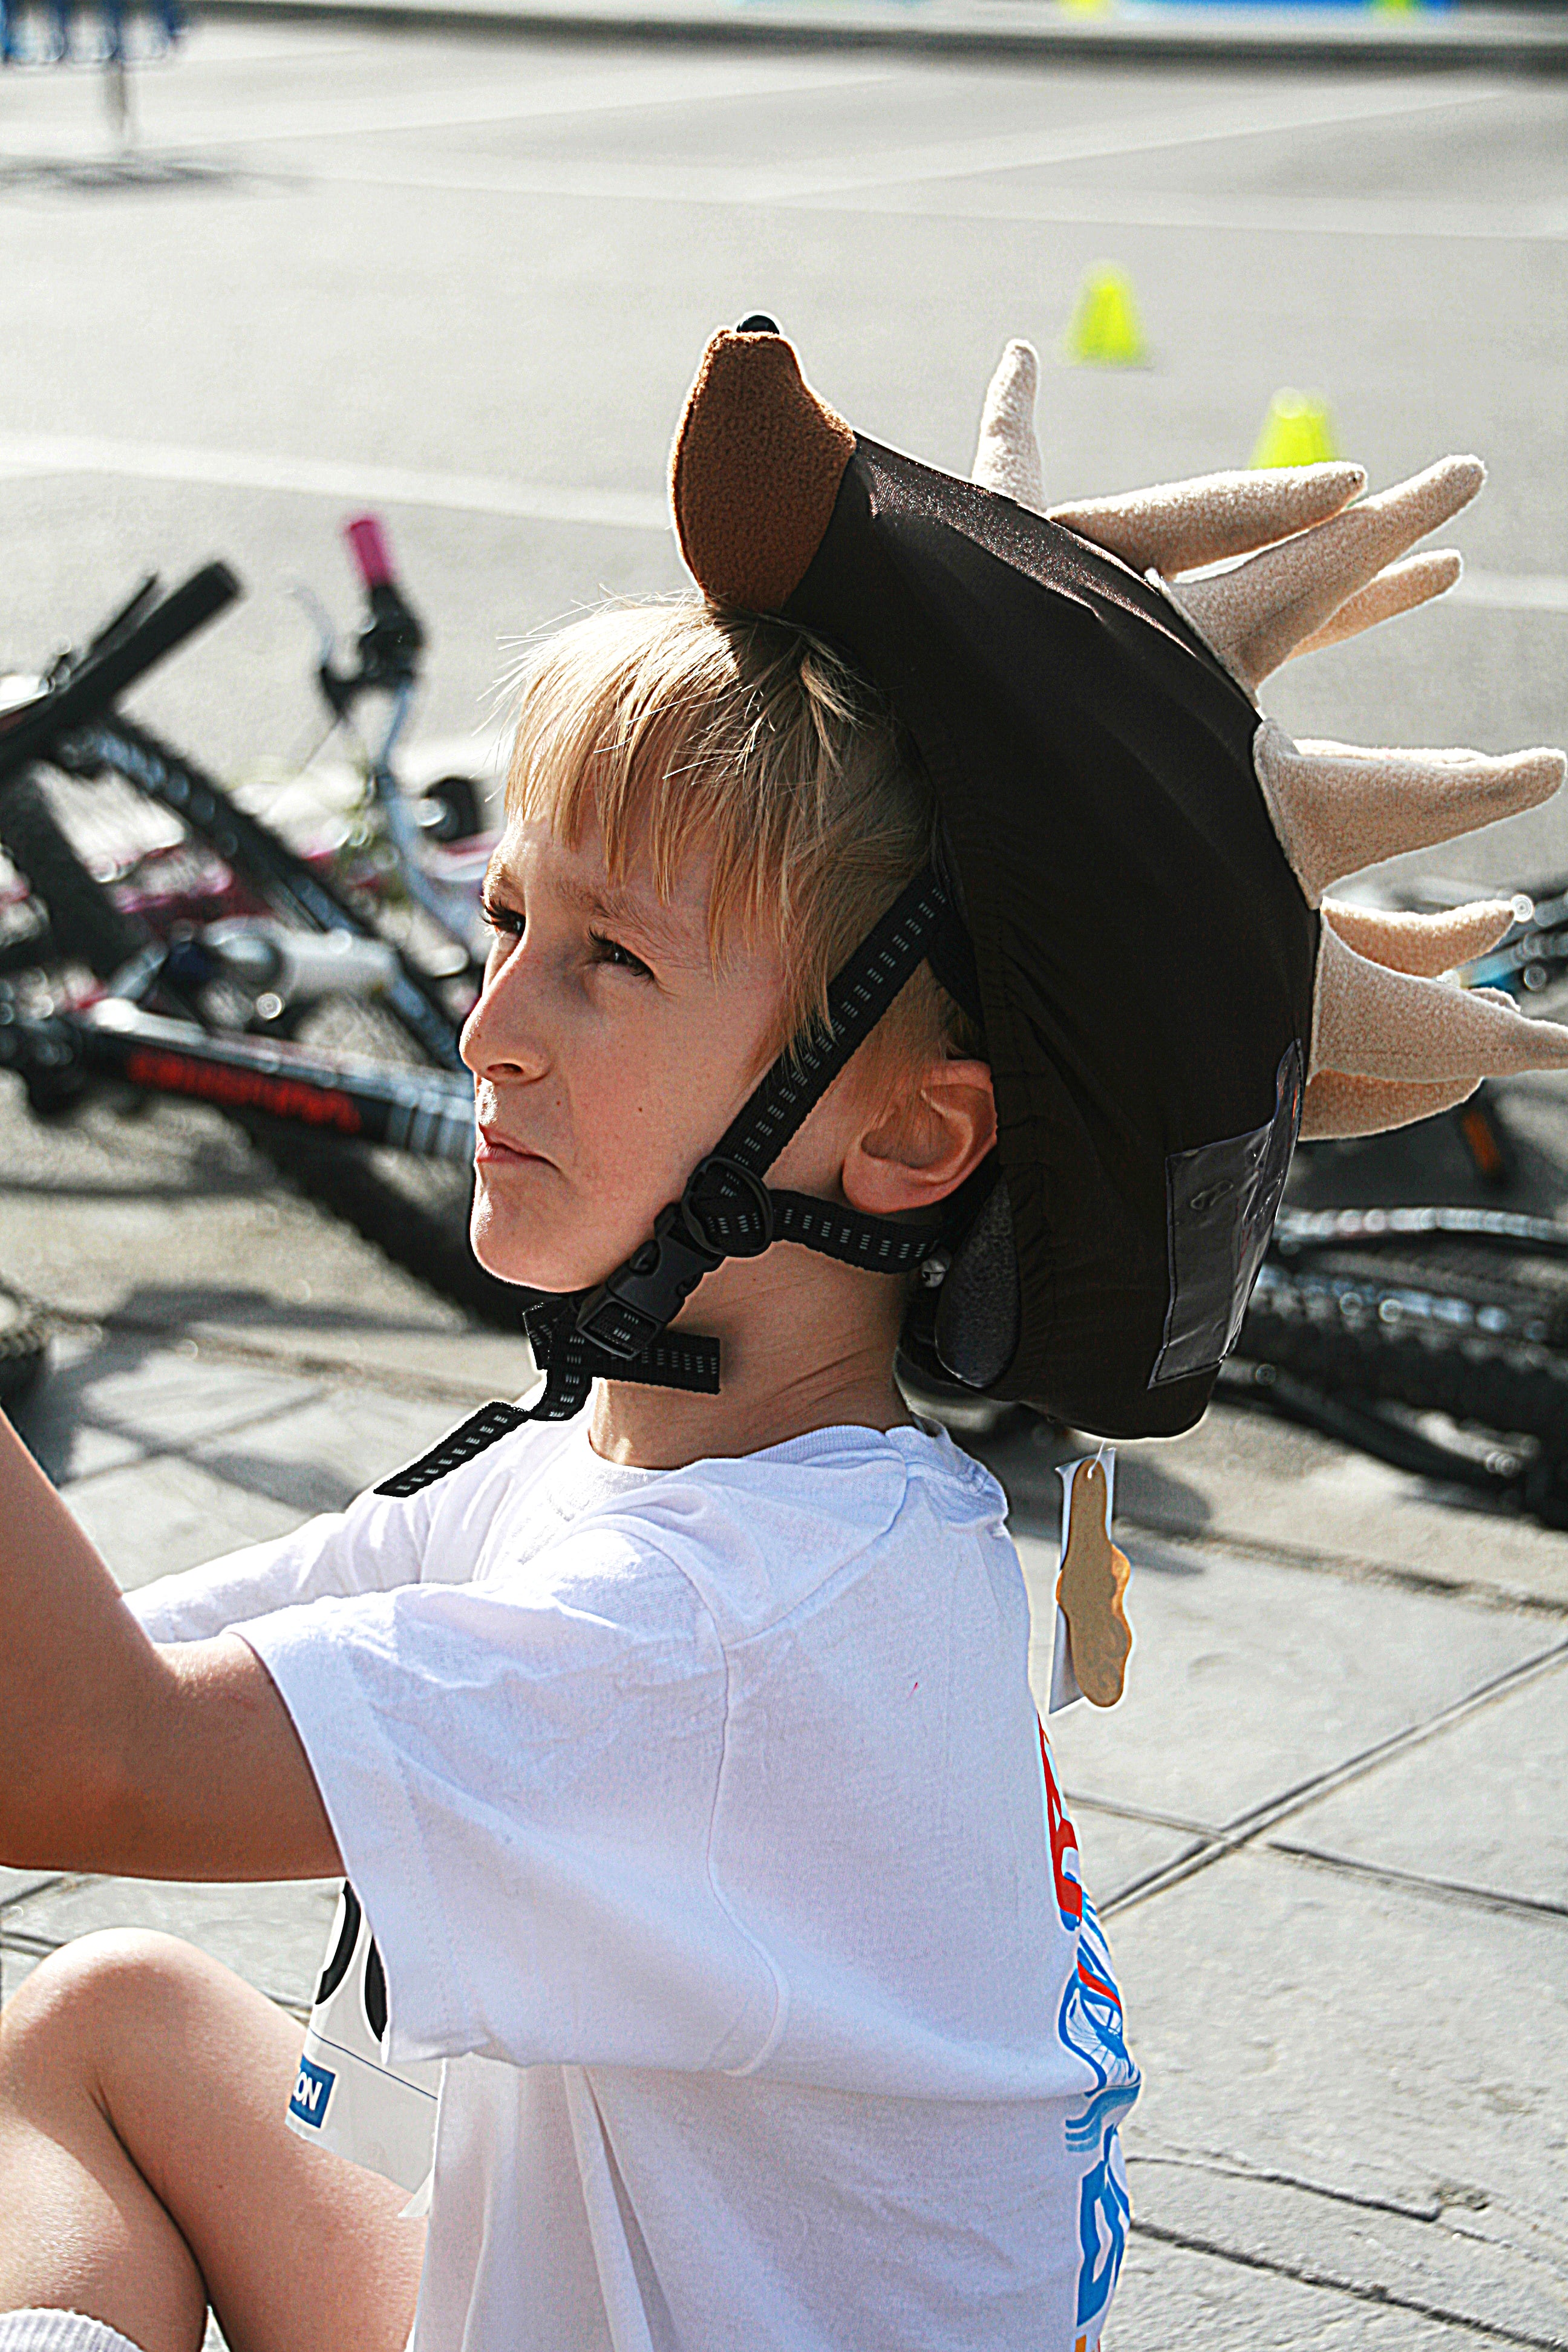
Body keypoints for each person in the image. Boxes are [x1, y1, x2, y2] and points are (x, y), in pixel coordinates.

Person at [1, 322, 1563, 2352]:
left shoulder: (727, 1629)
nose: (492, 1030)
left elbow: (83, 1768)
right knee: (110, 2021)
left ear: (909, 1137)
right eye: (507, 925)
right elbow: (106, 1684)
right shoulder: (658, 1482)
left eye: (612, 960)